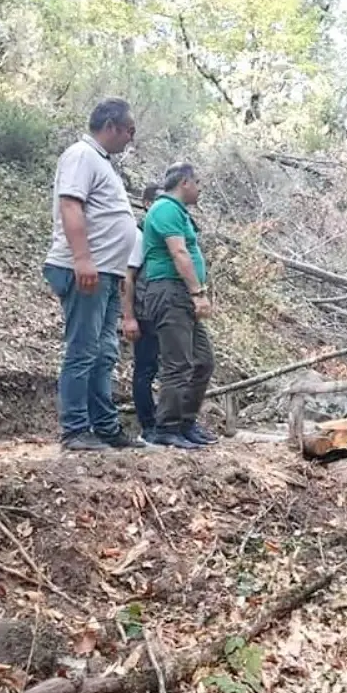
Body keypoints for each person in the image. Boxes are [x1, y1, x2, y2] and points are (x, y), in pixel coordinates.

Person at [43, 99, 144, 451]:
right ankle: (74, 430)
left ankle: (104, 427)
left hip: (107, 272)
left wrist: (115, 269)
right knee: (83, 351)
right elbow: (71, 204)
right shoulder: (81, 155)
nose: (132, 137)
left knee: (104, 354)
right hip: (86, 269)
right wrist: (83, 259)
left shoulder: (103, 163)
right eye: (130, 130)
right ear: (112, 125)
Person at [141, 162, 217, 449]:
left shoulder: (179, 213)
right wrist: (198, 293)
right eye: (197, 182)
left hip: (182, 294)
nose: (199, 188)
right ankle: (167, 427)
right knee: (178, 363)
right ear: (184, 182)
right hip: (170, 292)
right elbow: (179, 252)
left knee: (203, 360)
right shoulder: (165, 209)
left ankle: (186, 422)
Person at [121, 183, 161, 445]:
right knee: (145, 369)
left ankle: (164, 422)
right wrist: (129, 316)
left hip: (162, 312)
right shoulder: (139, 235)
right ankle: (147, 426)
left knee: (162, 368)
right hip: (145, 312)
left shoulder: (162, 235)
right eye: (157, 201)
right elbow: (128, 276)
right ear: (146, 204)